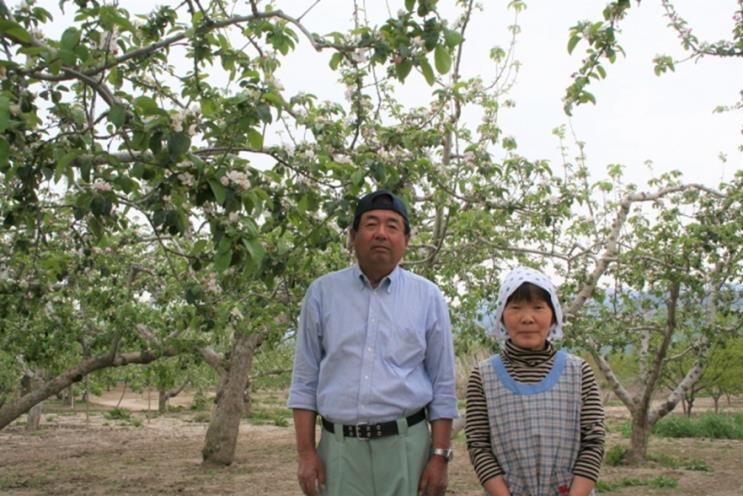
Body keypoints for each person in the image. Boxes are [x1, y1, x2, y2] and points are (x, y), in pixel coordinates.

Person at [288, 189, 459, 496]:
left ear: (406, 240)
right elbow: (304, 381)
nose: (381, 233)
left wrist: (440, 456)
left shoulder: (428, 297)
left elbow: (442, 383)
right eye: (371, 224)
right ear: (353, 236)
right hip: (339, 453)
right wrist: (305, 453)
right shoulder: (323, 293)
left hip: (408, 449)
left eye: (392, 226)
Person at [465, 266, 605, 496]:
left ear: (554, 315)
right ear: (502, 314)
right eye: (516, 308)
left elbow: (593, 442)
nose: (527, 318)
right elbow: (478, 445)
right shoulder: (483, 375)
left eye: (538, 307)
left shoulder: (579, 372)